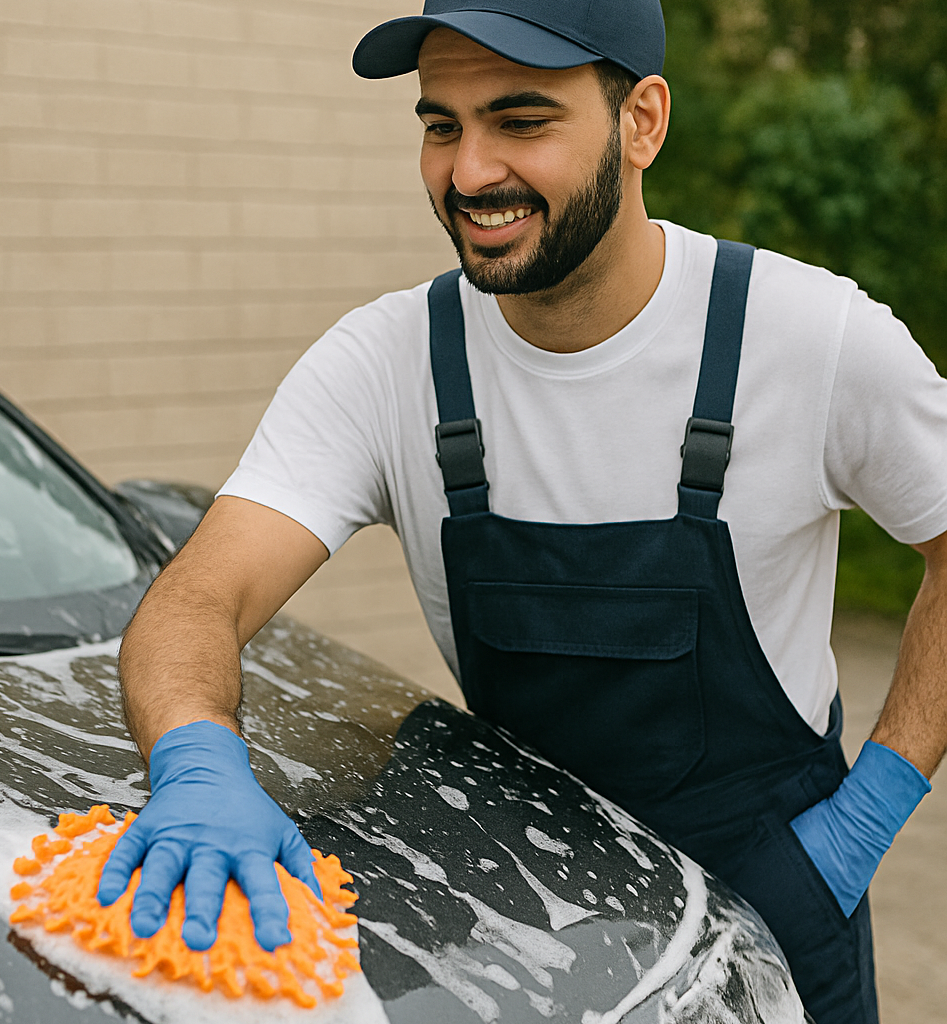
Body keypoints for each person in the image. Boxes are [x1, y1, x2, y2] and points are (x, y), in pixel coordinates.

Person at [96, 1, 947, 1020]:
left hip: (776, 904)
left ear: (642, 121)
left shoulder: (810, 338)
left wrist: (866, 816)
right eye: (441, 124)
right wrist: (197, 757)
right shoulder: (386, 363)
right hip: (518, 919)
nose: (468, 173)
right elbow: (197, 598)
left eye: (521, 119)